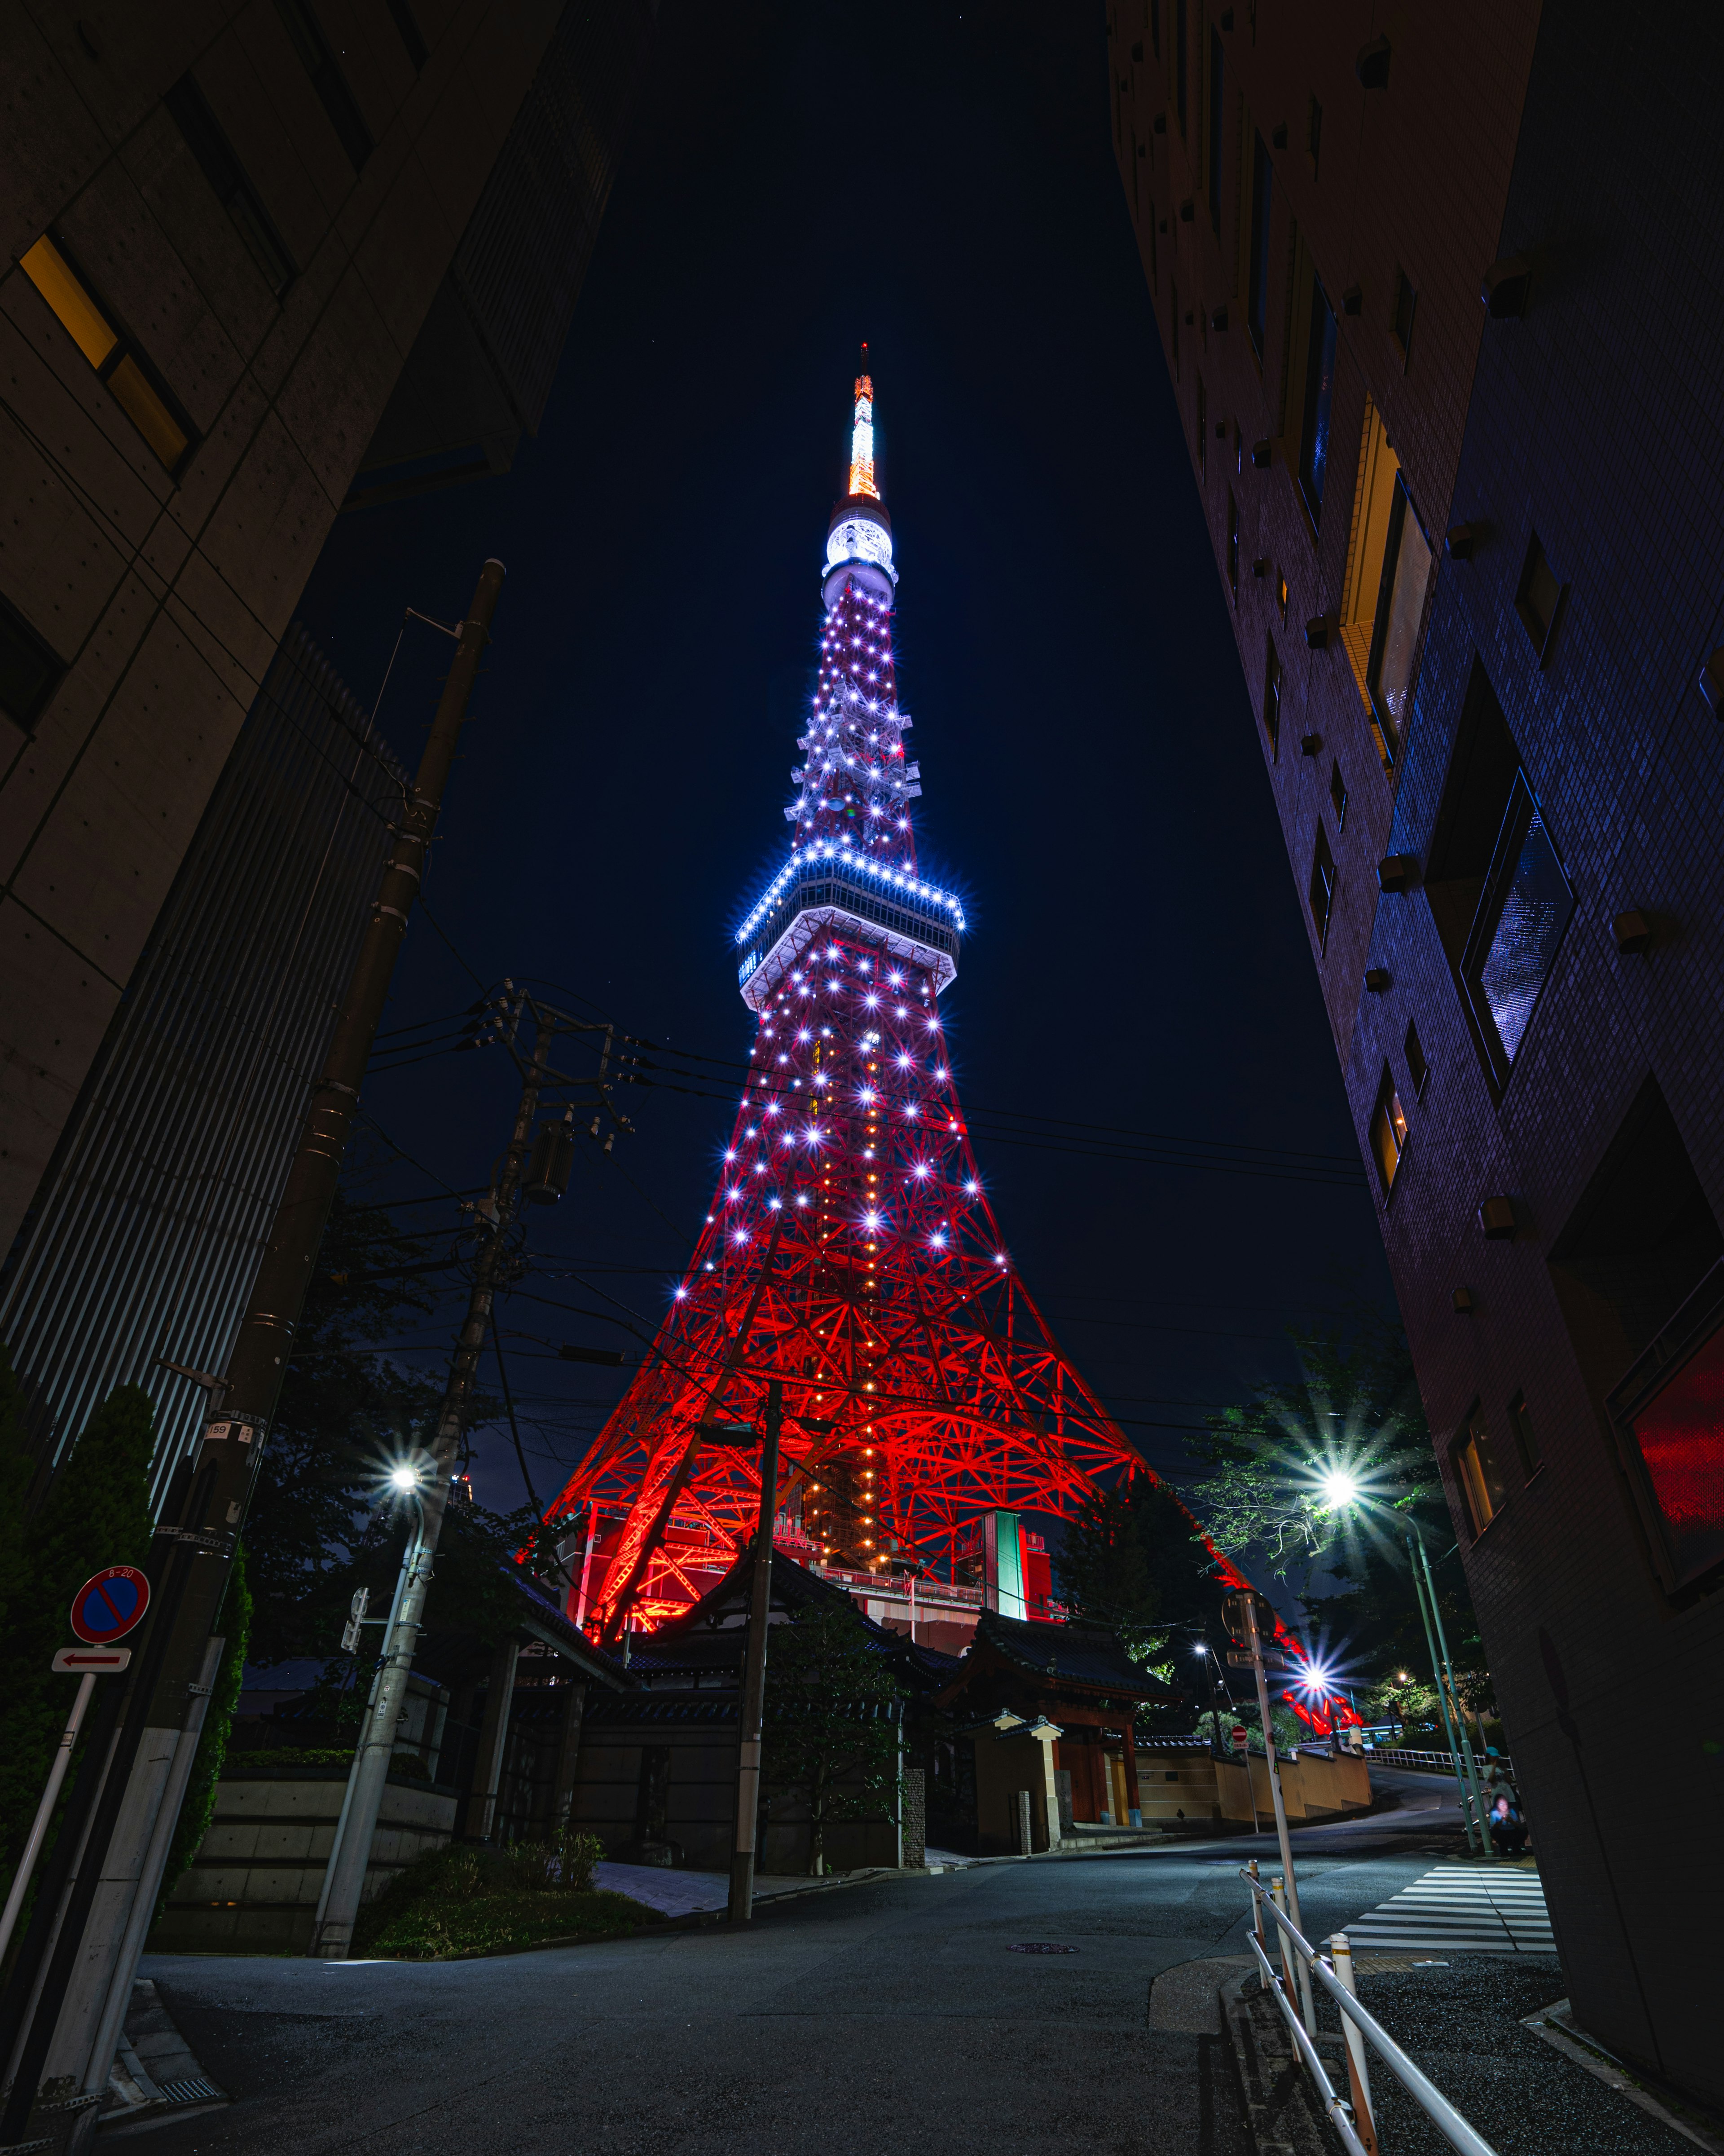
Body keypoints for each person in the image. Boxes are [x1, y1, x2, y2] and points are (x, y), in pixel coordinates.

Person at [1488, 1791, 1529, 1856]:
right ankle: (1503, 1849)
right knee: (1495, 1832)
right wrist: (1501, 1821)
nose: (1504, 1807)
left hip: (1512, 1831)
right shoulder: (1495, 1813)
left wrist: (1511, 1821)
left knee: (1523, 1830)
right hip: (1502, 1832)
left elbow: (1519, 1824)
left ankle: (1516, 1848)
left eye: (1506, 1804)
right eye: (1502, 1805)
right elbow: (1493, 1827)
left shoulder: (1511, 1811)